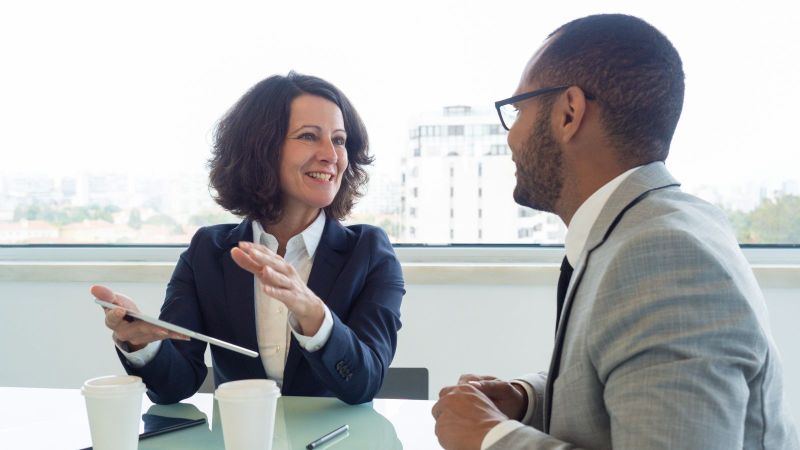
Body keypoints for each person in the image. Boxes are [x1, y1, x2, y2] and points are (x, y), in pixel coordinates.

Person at [432, 14, 799, 449]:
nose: (510, 138)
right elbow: (625, 378)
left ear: (569, 112)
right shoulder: (647, 228)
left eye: (518, 111)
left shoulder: (665, 257)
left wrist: (492, 438)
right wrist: (526, 398)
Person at [91, 72, 404, 406]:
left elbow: (364, 382)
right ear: (262, 149)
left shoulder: (370, 253)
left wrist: (311, 312)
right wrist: (142, 345)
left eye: (339, 140)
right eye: (309, 136)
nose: (331, 154)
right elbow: (175, 386)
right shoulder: (207, 253)